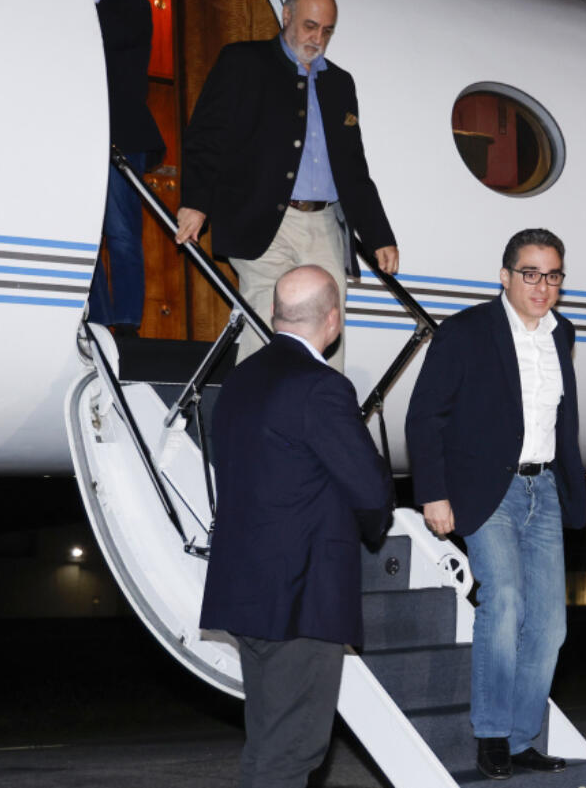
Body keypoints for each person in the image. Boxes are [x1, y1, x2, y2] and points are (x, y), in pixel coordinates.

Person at [200, 265, 393, 787]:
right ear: (334, 320)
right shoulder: (321, 388)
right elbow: (371, 490)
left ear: (273, 314)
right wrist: (377, 519)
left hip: (249, 593)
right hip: (299, 598)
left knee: (267, 746)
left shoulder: (239, 381)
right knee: (293, 753)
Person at [405, 229, 586, 780]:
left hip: (544, 491)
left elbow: (562, 420)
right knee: (504, 600)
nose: (542, 285)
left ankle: (521, 735)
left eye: (553, 275)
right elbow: (424, 416)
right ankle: (490, 736)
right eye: (530, 273)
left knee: (550, 625)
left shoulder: (563, 334)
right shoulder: (465, 332)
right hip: (489, 492)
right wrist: (434, 493)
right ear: (505, 275)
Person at [176, 0, 399, 369]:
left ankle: (320, 423)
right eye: (310, 26)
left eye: (326, 31)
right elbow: (206, 138)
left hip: (325, 225)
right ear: (286, 15)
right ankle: (250, 424)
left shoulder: (341, 84)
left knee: (328, 328)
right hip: (264, 221)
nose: (318, 37)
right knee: (269, 319)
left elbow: (353, 167)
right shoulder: (242, 62)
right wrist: (196, 202)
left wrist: (379, 235)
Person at [87, 0, 165, 335]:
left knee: (120, 234)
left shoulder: (132, 3)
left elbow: (105, 39)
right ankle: (100, 321)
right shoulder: (84, 8)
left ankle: (129, 325)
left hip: (120, 138)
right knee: (86, 235)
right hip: (83, 138)